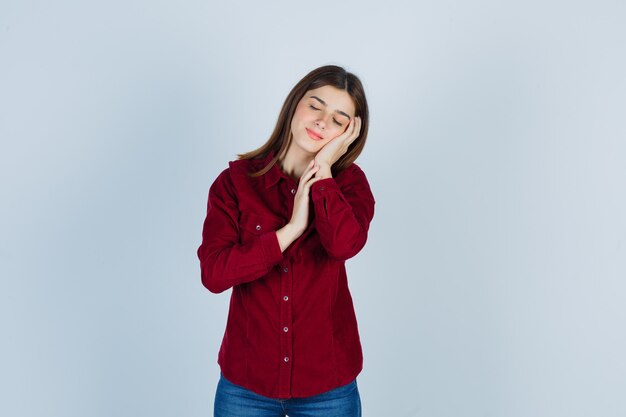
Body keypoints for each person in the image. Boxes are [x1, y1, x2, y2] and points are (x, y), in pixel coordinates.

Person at [197, 65, 375, 417]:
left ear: (349, 134)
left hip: (328, 386)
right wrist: (291, 229)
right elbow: (214, 275)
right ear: (294, 105)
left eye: (339, 120)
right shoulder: (234, 183)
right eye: (316, 106)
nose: (323, 122)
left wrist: (323, 172)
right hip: (246, 385)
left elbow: (344, 245)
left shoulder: (351, 186)